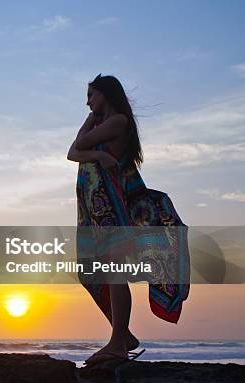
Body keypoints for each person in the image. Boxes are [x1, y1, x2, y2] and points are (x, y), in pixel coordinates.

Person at [67, 74, 190, 365]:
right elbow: (72, 152)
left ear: (106, 95)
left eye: (92, 96)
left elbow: (80, 144)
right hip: (95, 209)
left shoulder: (118, 121)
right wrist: (98, 152)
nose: (87, 102)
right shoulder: (101, 123)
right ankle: (123, 336)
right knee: (89, 271)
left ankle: (117, 343)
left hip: (112, 206)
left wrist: (94, 148)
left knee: (113, 270)